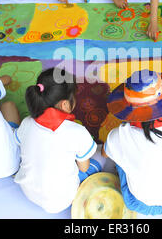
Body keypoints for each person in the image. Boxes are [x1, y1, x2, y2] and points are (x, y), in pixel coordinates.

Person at [102, 69, 162, 215]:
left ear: (128, 107)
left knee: (118, 154)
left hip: (139, 203)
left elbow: (105, 153)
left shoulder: (120, 134)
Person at [14, 68, 103, 213]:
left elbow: (19, 142)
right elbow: (84, 168)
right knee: (99, 156)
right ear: (65, 105)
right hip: (62, 200)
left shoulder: (27, 122)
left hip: (29, 192)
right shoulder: (78, 132)